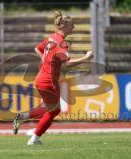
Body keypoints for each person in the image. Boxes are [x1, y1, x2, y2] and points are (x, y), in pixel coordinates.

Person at [12, 11, 93, 145]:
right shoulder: (61, 42)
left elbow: (37, 49)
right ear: (64, 26)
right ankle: (34, 138)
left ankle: (24, 118)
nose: (73, 28)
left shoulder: (52, 37)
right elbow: (67, 63)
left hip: (41, 79)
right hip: (49, 81)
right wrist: (86, 58)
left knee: (48, 108)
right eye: (71, 25)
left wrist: (45, 59)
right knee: (55, 110)